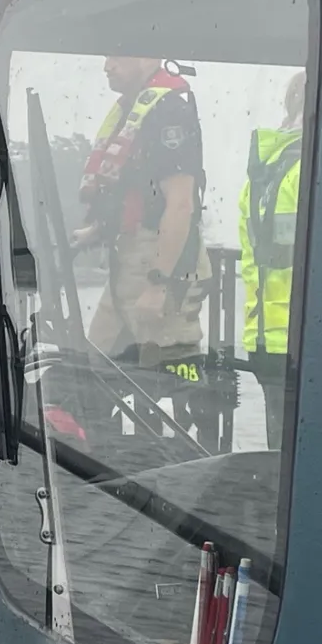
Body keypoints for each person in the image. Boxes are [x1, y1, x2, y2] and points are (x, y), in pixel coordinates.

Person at [73, 54, 213, 434]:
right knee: (93, 369)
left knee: (172, 379)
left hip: (161, 263)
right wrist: (98, 230)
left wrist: (158, 283)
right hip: (127, 261)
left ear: (146, 57)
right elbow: (134, 192)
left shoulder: (169, 113)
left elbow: (180, 205)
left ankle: (186, 460)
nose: (107, 66)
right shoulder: (133, 111)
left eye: (117, 57)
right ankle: (97, 455)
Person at [237, 71, 306, 450]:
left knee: (281, 460)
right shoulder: (312, 168)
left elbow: (255, 258)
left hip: (266, 336)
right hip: (306, 340)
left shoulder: (264, 172)